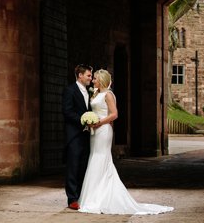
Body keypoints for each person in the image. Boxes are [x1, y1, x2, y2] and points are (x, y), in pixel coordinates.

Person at [78, 69, 173, 214]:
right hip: (94, 131)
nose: (93, 80)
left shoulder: (109, 94)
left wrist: (99, 122)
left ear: (102, 80)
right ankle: (94, 195)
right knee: (95, 157)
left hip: (103, 130)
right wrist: (90, 120)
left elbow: (114, 114)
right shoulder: (96, 93)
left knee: (101, 157)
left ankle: (99, 197)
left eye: (96, 78)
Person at [62, 64, 92, 210]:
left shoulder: (90, 92)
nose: (90, 79)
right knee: (73, 166)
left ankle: (81, 196)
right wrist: (83, 119)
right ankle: (72, 199)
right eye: (88, 76)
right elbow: (67, 111)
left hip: (87, 135)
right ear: (80, 75)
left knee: (83, 166)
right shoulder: (70, 90)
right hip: (74, 134)